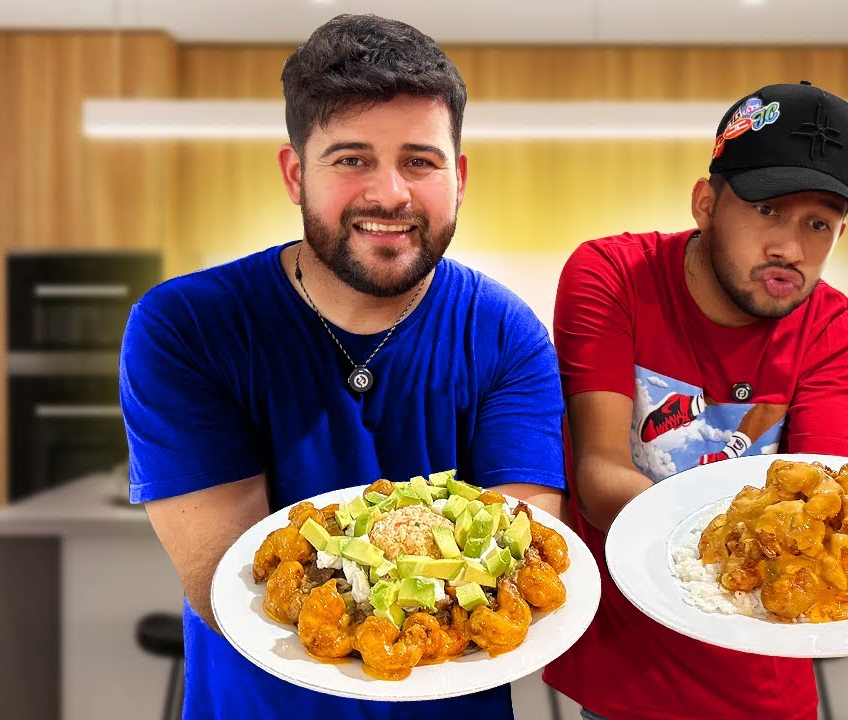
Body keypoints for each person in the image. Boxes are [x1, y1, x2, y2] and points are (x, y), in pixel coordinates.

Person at [120, 14, 567, 720]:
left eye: (420, 160)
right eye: (351, 158)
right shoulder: (187, 328)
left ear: (460, 177)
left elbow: (527, 560)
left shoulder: (507, 335)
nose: (389, 194)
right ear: (296, 173)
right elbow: (225, 584)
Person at [543, 81, 848, 720]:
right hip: (624, 682)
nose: (791, 249)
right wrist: (741, 536)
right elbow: (599, 475)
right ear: (705, 203)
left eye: (818, 224)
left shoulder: (833, 329)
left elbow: (822, 508)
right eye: (768, 210)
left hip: (766, 687)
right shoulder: (611, 276)